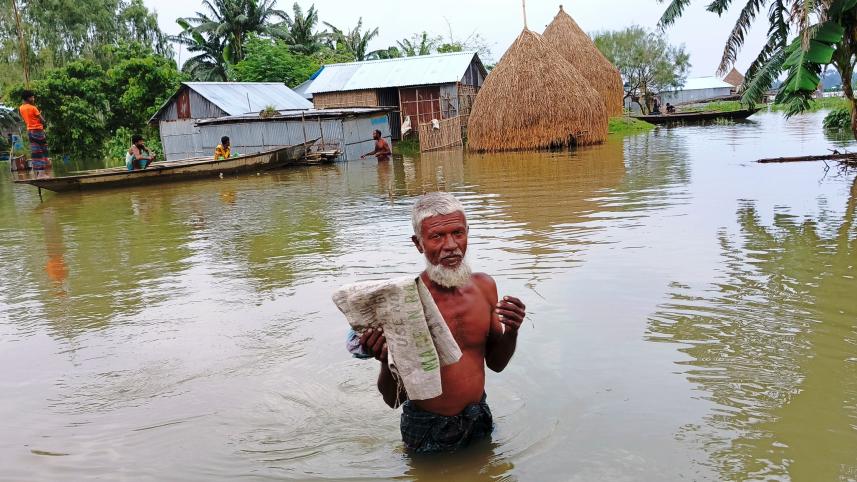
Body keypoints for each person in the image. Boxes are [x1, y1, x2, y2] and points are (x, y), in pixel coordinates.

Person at [359, 192, 526, 453]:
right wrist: (382, 359)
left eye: (457, 233)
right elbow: (394, 400)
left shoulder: (485, 287)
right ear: (418, 244)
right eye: (437, 236)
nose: (451, 245)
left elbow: (496, 364)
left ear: (467, 233)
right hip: (426, 425)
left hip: (478, 415)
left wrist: (512, 331)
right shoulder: (405, 304)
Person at [19, 90, 49, 170]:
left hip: (30, 132)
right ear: (28, 98)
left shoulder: (21, 108)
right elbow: (43, 121)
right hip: (38, 131)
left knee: (36, 152)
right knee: (42, 151)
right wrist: (41, 115)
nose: (33, 99)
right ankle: (42, 173)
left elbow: (28, 119)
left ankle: (39, 173)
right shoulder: (33, 108)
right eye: (32, 97)